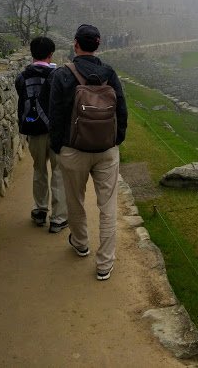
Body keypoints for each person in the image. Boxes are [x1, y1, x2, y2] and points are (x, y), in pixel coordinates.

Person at [49, 24, 128, 280]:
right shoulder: (109, 73)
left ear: (75, 44)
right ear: (99, 44)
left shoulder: (62, 75)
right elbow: (122, 110)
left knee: (75, 200)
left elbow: (56, 115)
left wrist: (58, 146)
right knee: (108, 207)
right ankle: (105, 263)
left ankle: (81, 243)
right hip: (106, 149)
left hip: (74, 149)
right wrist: (116, 139)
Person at [15, 36, 68, 233]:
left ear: (32, 54)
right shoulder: (60, 75)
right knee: (59, 173)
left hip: (34, 130)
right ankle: (58, 218)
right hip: (56, 132)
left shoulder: (22, 77)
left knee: (39, 170)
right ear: (50, 54)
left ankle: (39, 211)